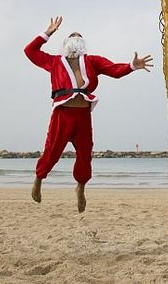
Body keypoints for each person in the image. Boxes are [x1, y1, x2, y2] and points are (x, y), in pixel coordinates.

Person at [25, 17, 153, 212]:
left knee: (85, 155)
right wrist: (48, 33)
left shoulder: (92, 61)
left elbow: (114, 70)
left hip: (83, 116)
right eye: (72, 36)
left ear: (83, 44)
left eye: (79, 37)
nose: (75, 38)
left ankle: (81, 188)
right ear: (65, 43)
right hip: (62, 114)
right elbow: (30, 51)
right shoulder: (55, 62)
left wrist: (132, 66)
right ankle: (38, 179)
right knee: (52, 152)